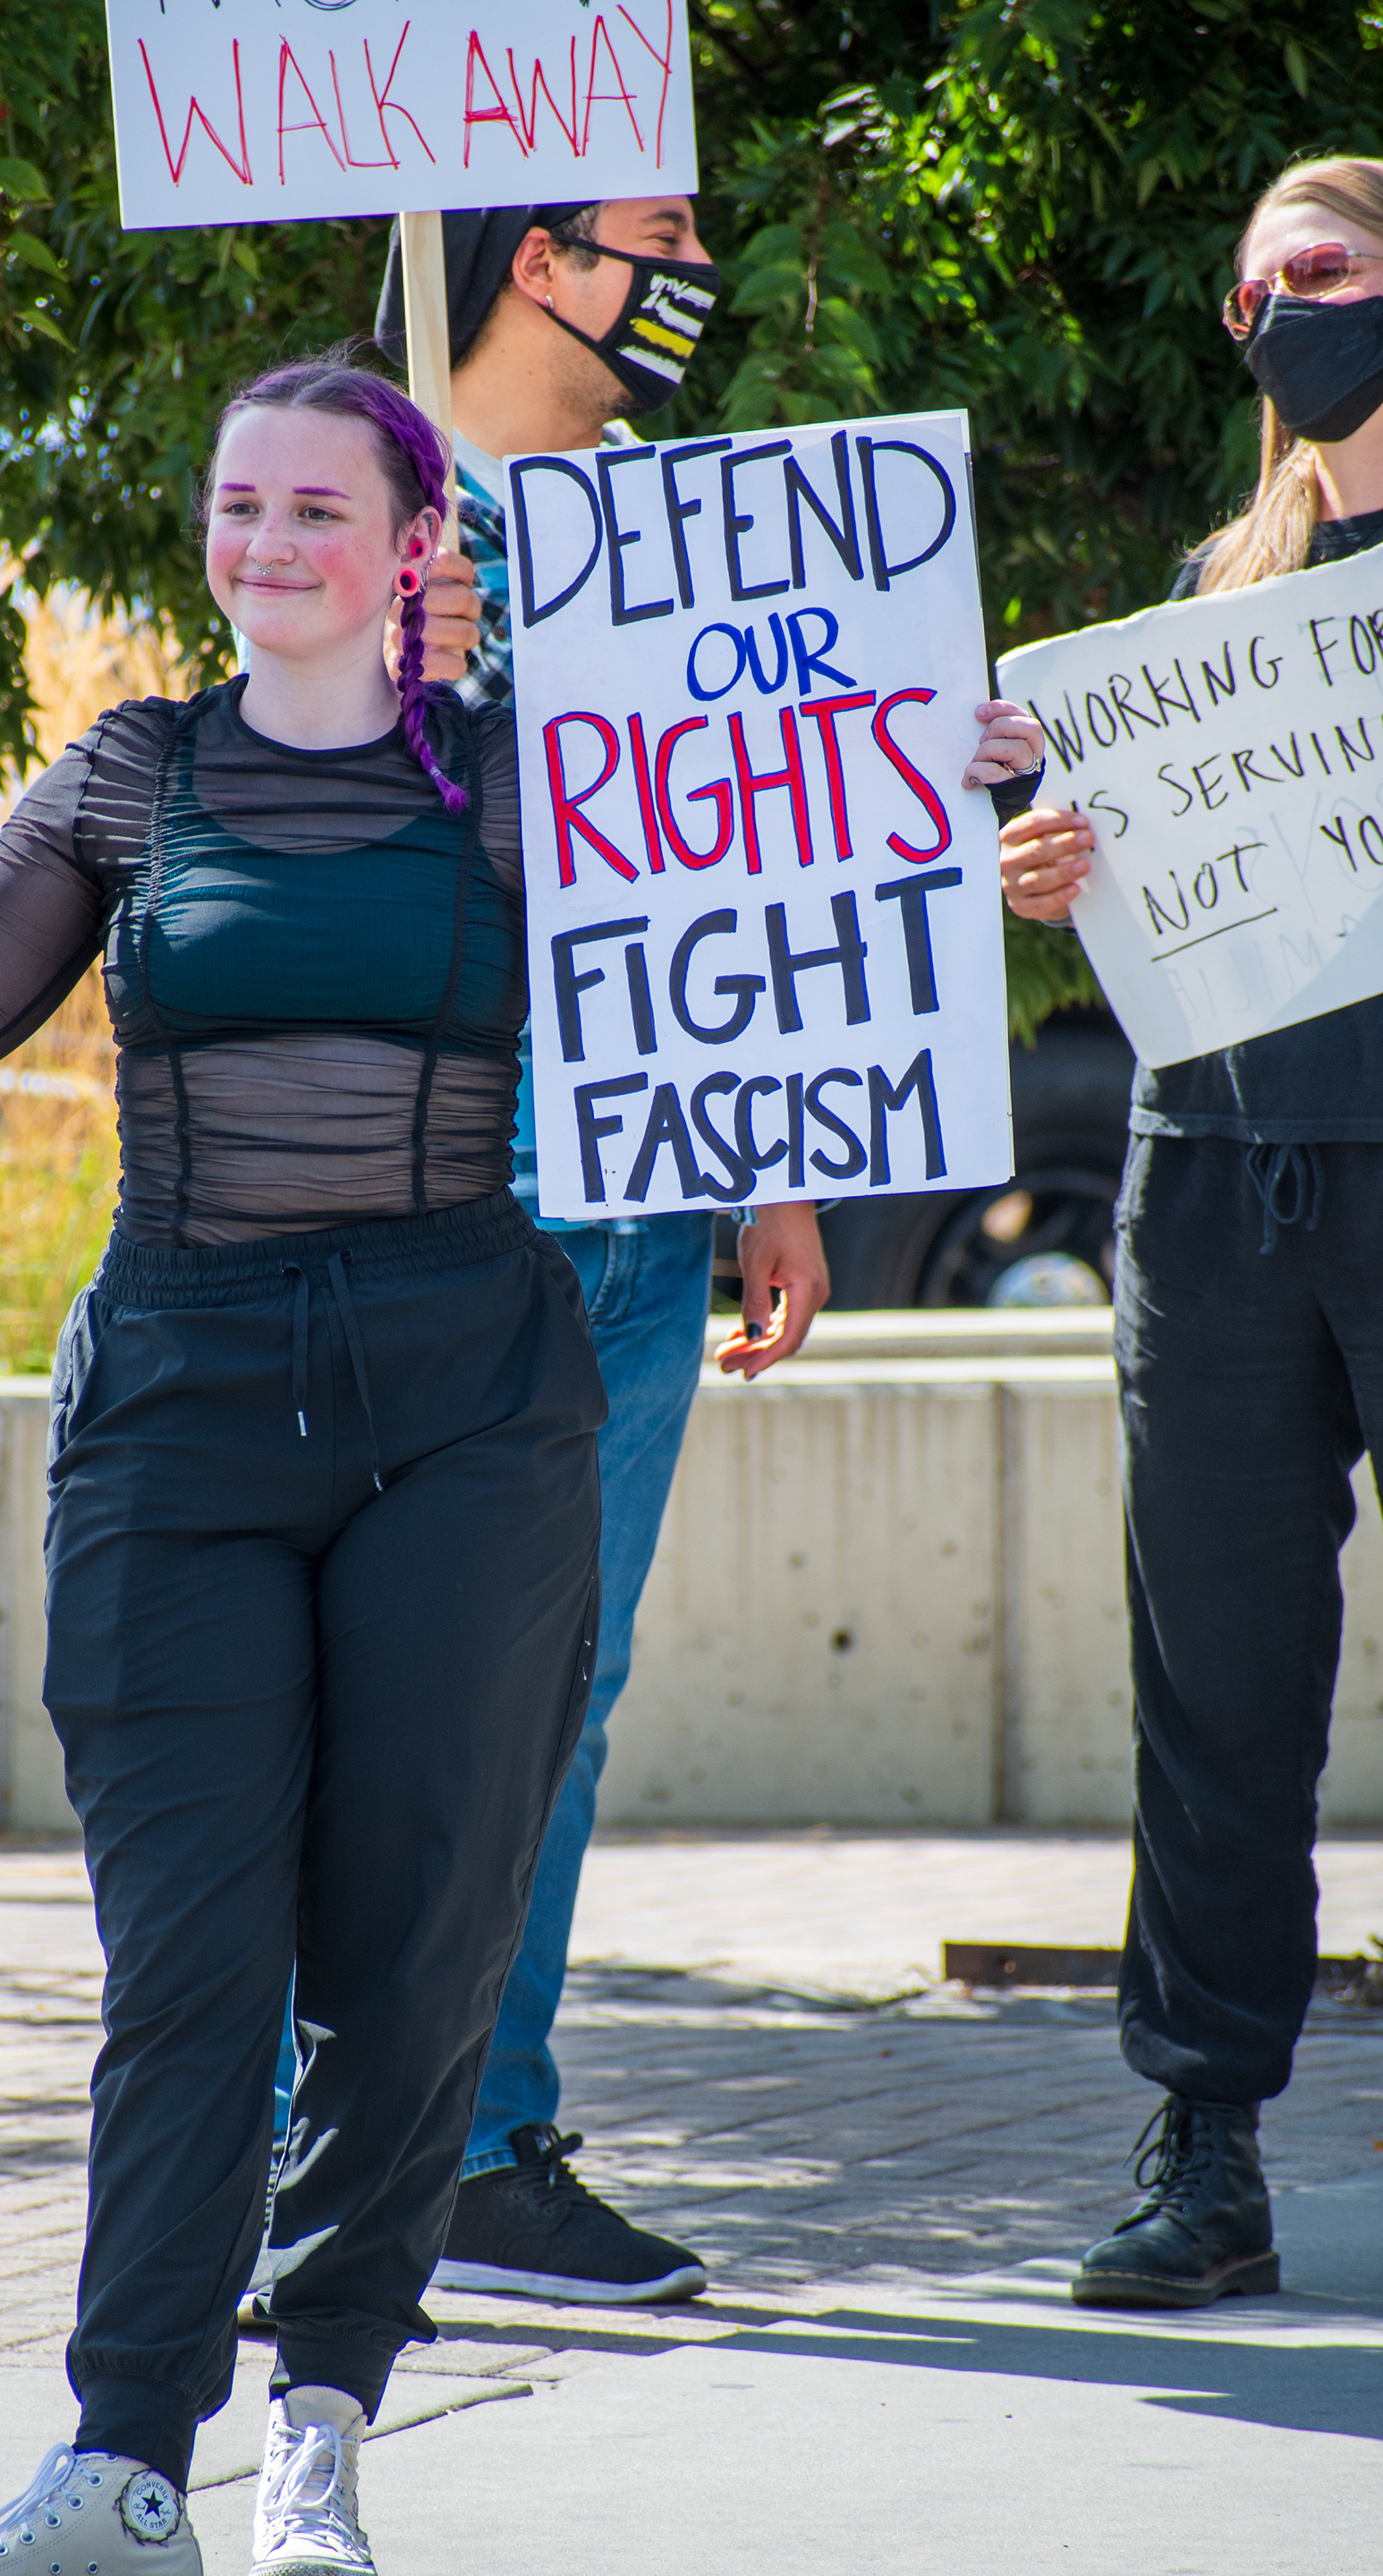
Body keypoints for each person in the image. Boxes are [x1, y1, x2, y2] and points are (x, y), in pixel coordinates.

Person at [0, 360, 607, 2576]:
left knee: (416, 1933)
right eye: (235, 507)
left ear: (409, 547)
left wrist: (942, 800)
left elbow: (735, 964)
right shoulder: (131, 780)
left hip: (467, 1405)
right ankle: (122, 2462)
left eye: (313, 510)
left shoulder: (522, 784)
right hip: (178, 1408)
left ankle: (328, 2430)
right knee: (189, 1957)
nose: (266, 544)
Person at [249, 199, 1046, 2311]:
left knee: (557, 1696)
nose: (696, 272)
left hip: (642, 1200)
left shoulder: (692, 535)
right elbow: (260, 826)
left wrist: (768, 1166)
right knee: (373, 1686)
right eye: (660, 235)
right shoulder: (356, 492)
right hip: (427, 1186)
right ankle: (289, 2164)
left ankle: (480, 2148)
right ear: (532, 256)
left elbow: (738, 869)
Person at [998, 155, 1383, 2311]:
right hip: (1215, 1181)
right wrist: (1049, 862)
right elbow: (1138, 892)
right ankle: (1204, 2141)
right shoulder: (1205, 607)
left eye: (1321, 273)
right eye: (1254, 295)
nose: (1283, 315)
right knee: (1215, 1688)